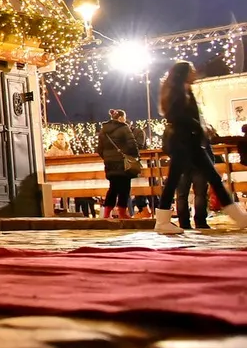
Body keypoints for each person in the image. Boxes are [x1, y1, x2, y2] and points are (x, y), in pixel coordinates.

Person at [153, 61, 247, 233]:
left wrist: (201, 129)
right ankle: (162, 222)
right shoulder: (177, 93)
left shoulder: (181, 91)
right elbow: (178, 116)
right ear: (184, 73)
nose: (195, 73)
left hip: (190, 141)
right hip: (183, 141)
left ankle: (238, 217)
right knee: (176, 180)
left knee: (211, 178)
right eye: (192, 70)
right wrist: (199, 126)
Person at [97, 109, 139, 220]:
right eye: (124, 117)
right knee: (124, 188)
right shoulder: (124, 128)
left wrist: (107, 159)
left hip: (110, 164)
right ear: (120, 118)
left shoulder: (103, 130)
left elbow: (99, 149)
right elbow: (132, 145)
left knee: (113, 188)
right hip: (122, 163)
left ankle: (106, 213)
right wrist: (134, 157)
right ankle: (122, 212)